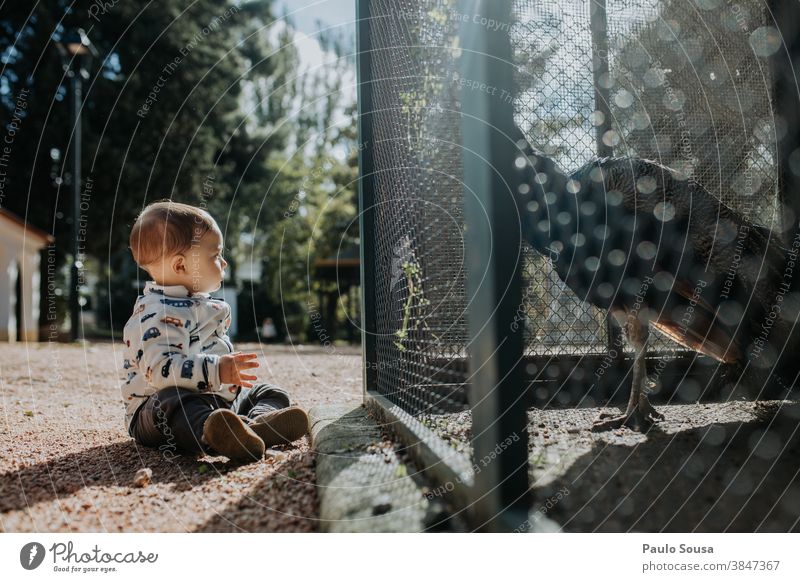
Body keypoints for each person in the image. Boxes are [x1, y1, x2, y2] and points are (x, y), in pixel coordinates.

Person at [121, 201, 309, 462]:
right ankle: (214, 434)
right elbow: (162, 372)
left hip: (217, 400)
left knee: (268, 393)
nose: (224, 262)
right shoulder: (155, 314)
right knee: (173, 402)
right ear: (180, 266)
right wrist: (217, 370)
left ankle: (251, 428)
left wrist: (225, 378)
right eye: (215, 256)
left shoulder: (201, 304)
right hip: (155, 411)